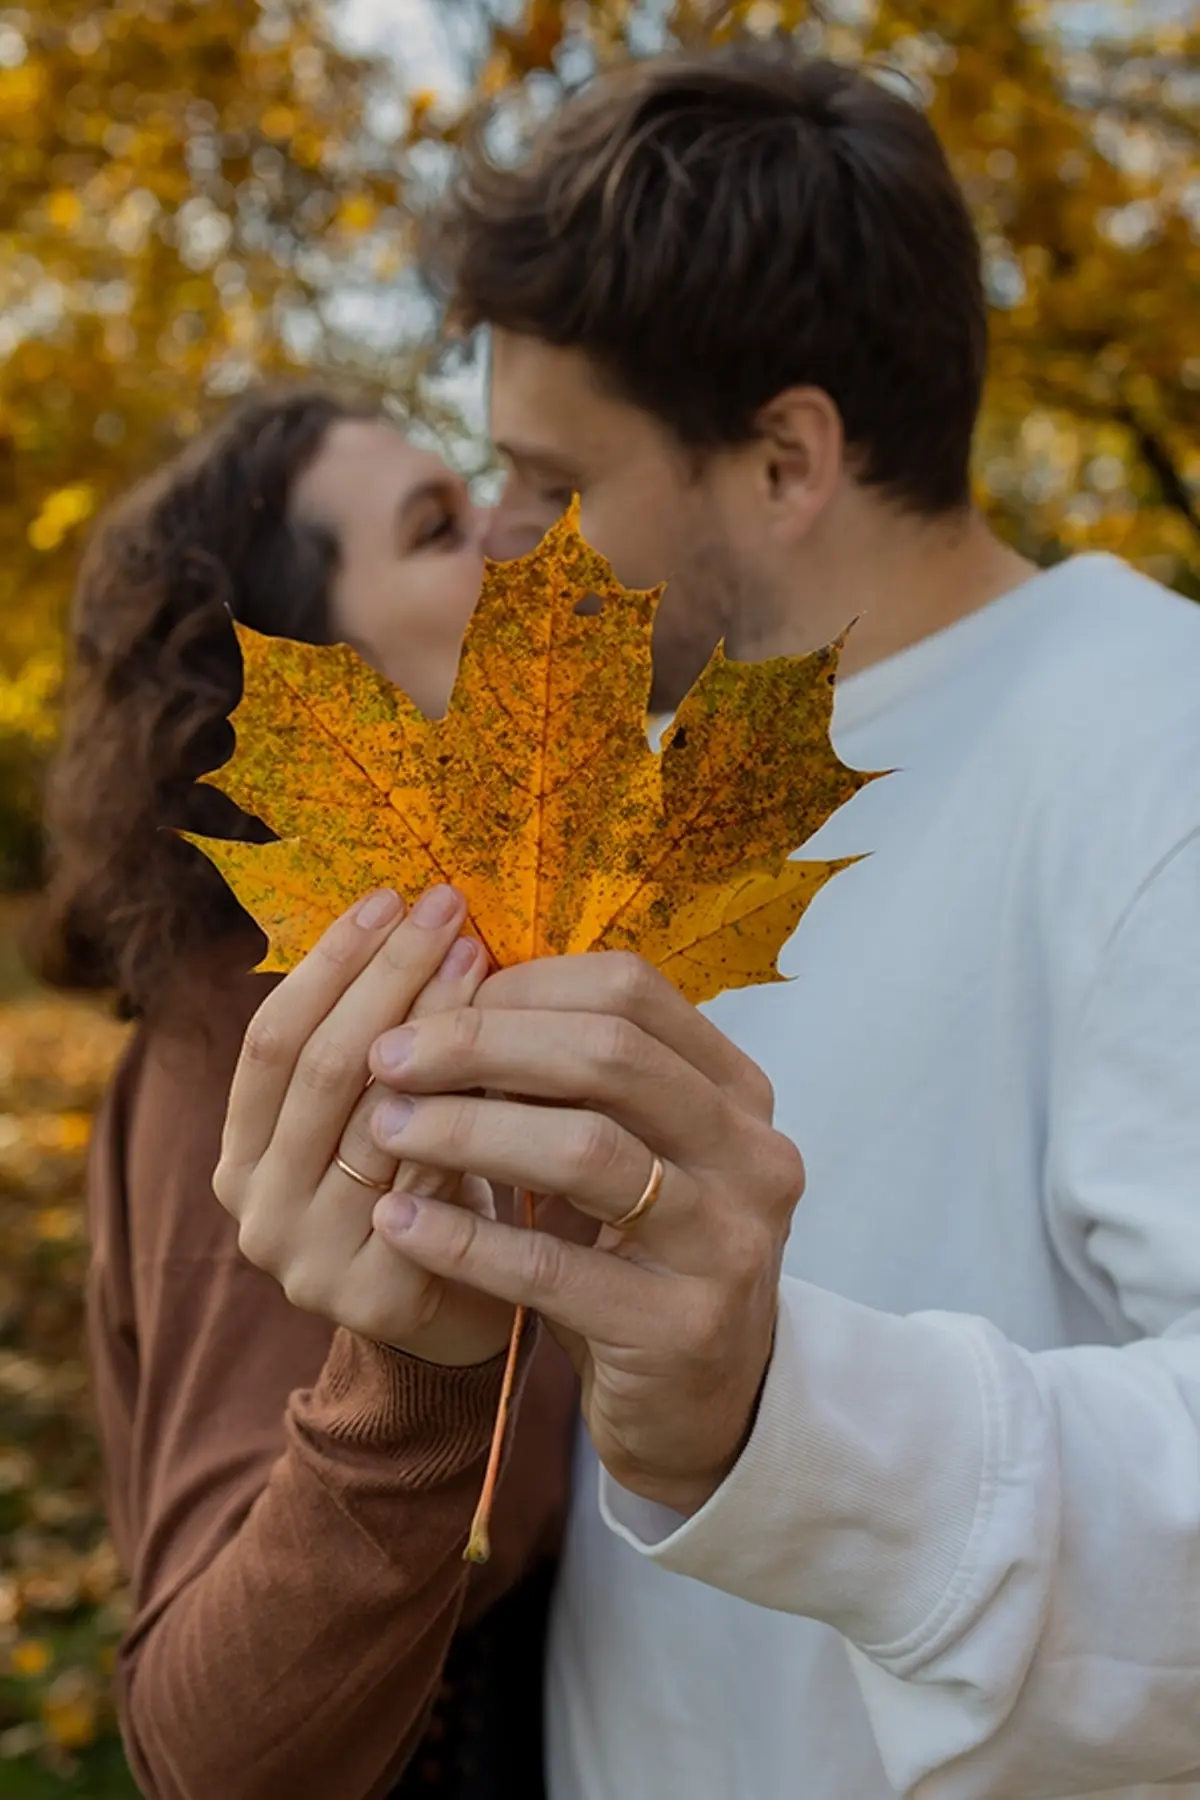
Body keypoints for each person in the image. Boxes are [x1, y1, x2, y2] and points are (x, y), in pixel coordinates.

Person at [217, 44, 1200, 1800]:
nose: (509, 545)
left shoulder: (1157, 752)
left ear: (786, 459)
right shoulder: (614, 786)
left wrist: (773, 1411)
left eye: (552, 480)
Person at [37, 386, 578, 1800]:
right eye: (437, 529)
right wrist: (419, 1390)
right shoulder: (274, 1045)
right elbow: (205, 1753)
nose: (515, 544)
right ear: (301, 685)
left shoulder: (443, 972)